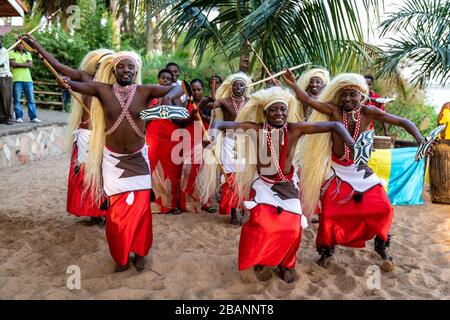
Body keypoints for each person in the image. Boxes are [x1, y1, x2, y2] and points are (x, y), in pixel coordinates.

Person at [205, 86, 355, 283]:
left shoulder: (295, 129)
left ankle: (286, 264)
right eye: (274, 110)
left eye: (282, 109)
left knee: (293, 228)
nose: (279, 113)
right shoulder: (255, 129)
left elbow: (335, 126)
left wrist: (349, 140)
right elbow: (220, 123)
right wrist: (213, 136)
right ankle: (259, 257)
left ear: (287, 111)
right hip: (263, 184)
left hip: (287, 184)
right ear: (265, 113)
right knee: (262, 224)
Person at [283, 70, 428, 272]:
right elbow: (307, 99)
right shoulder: (333, 111)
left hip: (361, 172)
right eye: (344, 94)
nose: (348, 99)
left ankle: (382, 244)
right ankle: (327, 251)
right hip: (337, 171)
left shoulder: (369, 112)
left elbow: (403, 122)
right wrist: (293, 84)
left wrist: (421, 139)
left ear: (362, 95)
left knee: (383, 208)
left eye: (353, 94)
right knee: (331, 213)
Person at [59, 51, 182, 272]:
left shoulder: (145, 91)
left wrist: (168, 98)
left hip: (138, 161)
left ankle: (141, 252)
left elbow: (181, 87)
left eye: (130, 67)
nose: (126, 70)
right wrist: (67, 82)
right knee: (116, 215)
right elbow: (76, 84)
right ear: (114, 71)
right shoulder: (102, 90)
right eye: (122, 66)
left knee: (141, 210)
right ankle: (121, 255)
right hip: (113, 161)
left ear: (136, 71)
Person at [22, 35, 114, 225]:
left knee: (106, 174)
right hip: (87, 136)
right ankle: (94, 213)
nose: (104, 68)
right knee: (87, 174)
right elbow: (57, 65)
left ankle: (106, 211)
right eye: (101, 64)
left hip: (106, 136)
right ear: (96, 66)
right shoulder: (84, 78)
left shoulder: (115, 86)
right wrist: (35, 45)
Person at [198, 72, 252, 226]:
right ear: (231, 87)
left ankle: (243, 208)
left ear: (246, 87)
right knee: (230, 178)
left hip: (246, 142)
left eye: (242, 85)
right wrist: (207, 100)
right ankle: (234, 211)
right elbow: (205, 107)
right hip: (228, 142)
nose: (239, 87)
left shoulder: (250, 102)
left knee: (244, 177)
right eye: (236, 85)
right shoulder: (225, 101)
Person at [145, 69, 185, 214]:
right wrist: (155, 110)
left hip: (171, 137)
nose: (166, 81)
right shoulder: (150, 95)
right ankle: (151, 204)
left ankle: (171, 205)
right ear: (158, 79)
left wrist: (170, 108)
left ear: (172, 81)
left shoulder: (175, 97)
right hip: (154, 134)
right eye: (163, 78)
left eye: (169, 79)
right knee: (150, 164)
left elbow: (183, 118)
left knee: (172, 170)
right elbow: (142, 118)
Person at [9, 40, 41, 123]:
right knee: (17, 99)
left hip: (28, 79)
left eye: (22, 44)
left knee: (31, 99)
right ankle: (19, 117)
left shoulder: (28, 54)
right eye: (19, 43)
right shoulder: (11, 53)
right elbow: (13, 64)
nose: (21, 45)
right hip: (16, 79)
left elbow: (30, 65)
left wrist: (18, 64)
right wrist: (25, 64)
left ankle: (33, 117)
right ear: (16, 44)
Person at [0, 36, 14, 125]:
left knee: (6, 98)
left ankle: (9, 118)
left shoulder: (4, 51)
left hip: (5, 77)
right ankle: (1, 117)